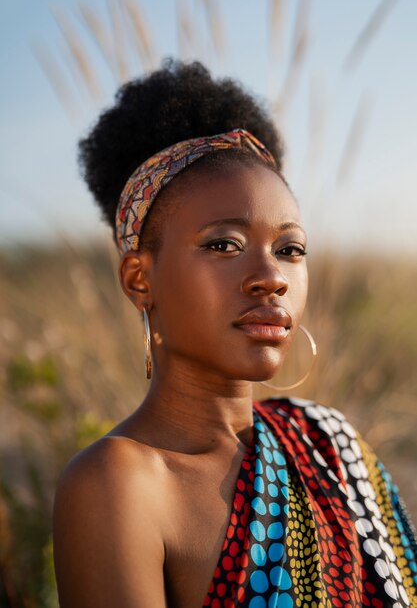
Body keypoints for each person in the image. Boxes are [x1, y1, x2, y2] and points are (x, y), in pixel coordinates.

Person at [53, 60, 417, 608]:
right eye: (224, 244)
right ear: (139, 278)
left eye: (290, 249)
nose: (272, 278)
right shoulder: (118, 484)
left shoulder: (329, 442)